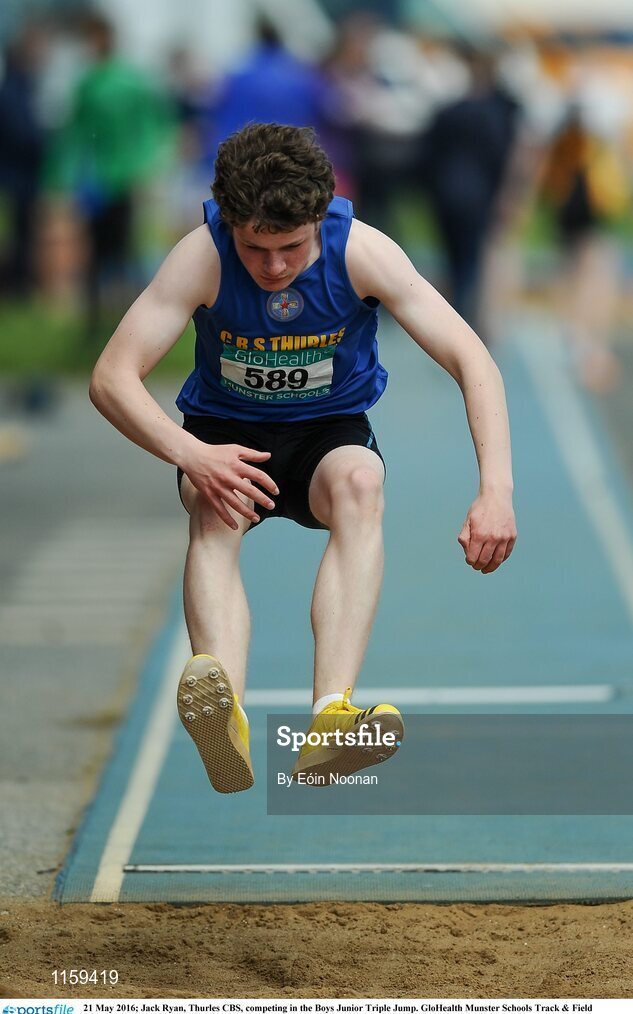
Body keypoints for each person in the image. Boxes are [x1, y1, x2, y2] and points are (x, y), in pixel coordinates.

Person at [89, 123, 516, 794]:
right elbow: (112, 377)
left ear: (319, 218)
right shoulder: (200, 256)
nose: (273, 269)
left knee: (361, 483)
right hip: (224, 435)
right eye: (254, 249)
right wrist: (192, 454)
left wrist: (496, 491)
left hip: (326, 432)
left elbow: (473, 360)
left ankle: (331, 720)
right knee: (214, 510)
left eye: (291, 248)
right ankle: (223, 711)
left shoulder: (363, 251)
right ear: (229, 224)